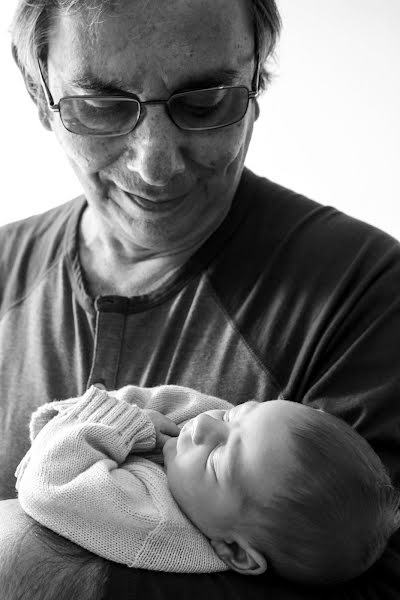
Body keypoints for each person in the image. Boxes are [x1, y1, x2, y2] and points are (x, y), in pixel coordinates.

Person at [1, 0, 400, 598]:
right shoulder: (8, 269)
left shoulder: (367, 295)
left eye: (206, 101)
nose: (155, 165)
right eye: (101, 106)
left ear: (256, 83)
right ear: (40, 97)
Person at [12, 384, 400, 593]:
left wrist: (125, 423)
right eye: (236, 412)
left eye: (217, 458)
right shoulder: (224, 450)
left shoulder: (156, 521)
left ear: (234, 551)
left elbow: (49, 483)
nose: (204, 425)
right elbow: (159, 402)